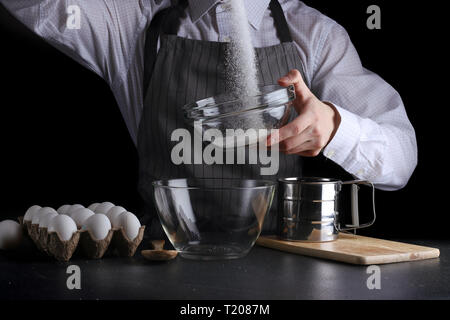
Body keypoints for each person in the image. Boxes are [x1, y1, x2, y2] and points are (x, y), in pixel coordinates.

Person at [0, 0, 417, 235]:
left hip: (289, 271)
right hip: (162, 268)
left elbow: (402, 159)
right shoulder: (133, 23)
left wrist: (335, 127)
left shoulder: (315, 36)